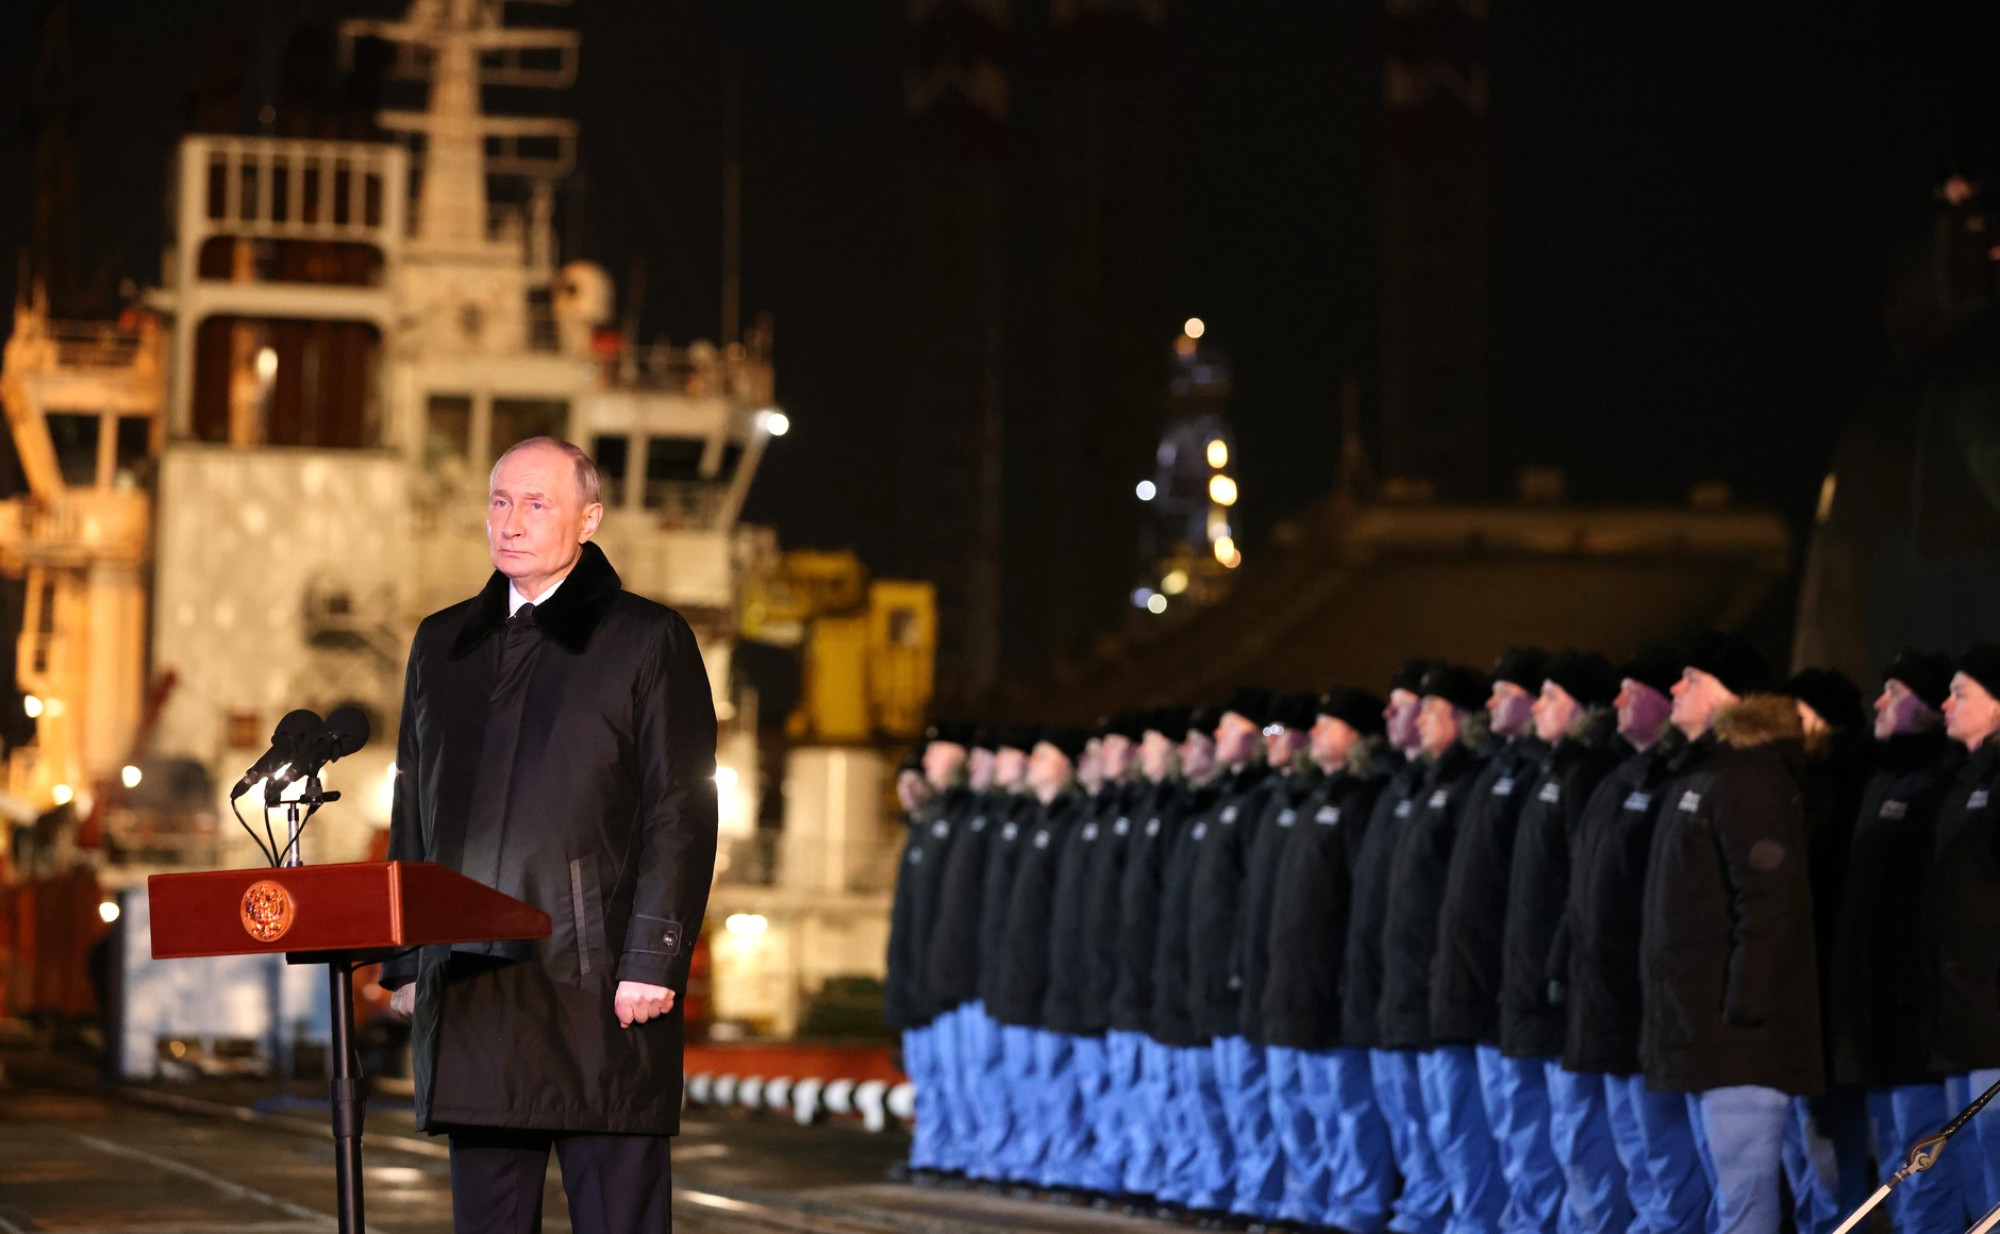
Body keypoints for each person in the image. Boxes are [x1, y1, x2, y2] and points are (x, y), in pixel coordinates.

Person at [382, 436, 718, 1234]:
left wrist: (652, 959)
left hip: (596, 986)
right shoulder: (442, 646)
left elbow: (681, 807)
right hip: (469, 983)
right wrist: (404, 957)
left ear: (589, 518)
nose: (512, 522)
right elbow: (412, 811)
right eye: (500, 502)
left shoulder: (645, 639)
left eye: (538, 504)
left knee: (616, 1217)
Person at [1642, 631, 1822, 1234]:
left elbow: (1769, 900)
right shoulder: (1704, 773)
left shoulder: (1745, 778)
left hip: (1737, 1039)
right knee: (1728, 1197)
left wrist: (1746, 1006)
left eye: (1691, 679)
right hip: (1705, 1028)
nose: (1676, 689)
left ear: (1729, 696)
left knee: (1743, 1202)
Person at [1554, 647, 1707, 1234]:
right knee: (1628, 1145)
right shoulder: (1616, 778)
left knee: (1665, 1149)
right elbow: (1581, 890)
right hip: (1603, 996)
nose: (1618, 701)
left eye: (1631, 690)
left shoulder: (1676, 780)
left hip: (1646, 999)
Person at [1828, 650, 1963, 1234]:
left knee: (1929, 1174)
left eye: (1892, 689)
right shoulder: (1880, 778)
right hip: (1876, 1018)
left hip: (1918, 1024)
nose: (1878, 701)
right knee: (1899, 1174)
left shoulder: (1944, 781)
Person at [1262, 686, 1395, 1234]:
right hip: (1300, 976)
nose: (1315, 733)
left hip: (1335, 977)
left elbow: (1362, 901)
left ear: (1356, 735)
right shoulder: (1321, 798)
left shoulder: (1361, 800)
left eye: (1328, 724)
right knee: (1309, 1102)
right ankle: (1315, 1202)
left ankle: (1358, 1207)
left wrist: (1349, 971)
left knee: (1349, 1103)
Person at [1497, 652, 1621, 1234]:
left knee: (1579, 1133)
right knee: (1534, 1131)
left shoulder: (1585, 771)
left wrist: (1557, 970)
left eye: (1551, 695)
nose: (1539, 706)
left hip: (1559, 990)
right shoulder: (1552, 769)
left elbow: (1580, 886)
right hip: (1528, 985)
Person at [1431, 648, 1555, 1234]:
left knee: (1524, 1126)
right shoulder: (1495, 772)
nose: (1490, 702)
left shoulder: (1538, 773)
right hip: (1472, 982)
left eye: (1504, 691)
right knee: (1475, 1124)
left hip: (1511, 987)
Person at [1381, 661, 1505, 1234]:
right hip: (1410, 982)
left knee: (1461, 1120)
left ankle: (1466, 1218)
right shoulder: (1426, 783)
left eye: (1431, 709)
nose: (1411, 719)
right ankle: (1435, 1211)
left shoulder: (1468, 783)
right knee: (1423, 1118)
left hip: (1449, 984)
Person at [1351, 659, 1453, 1234]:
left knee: (1441, 1120)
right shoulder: (1396, 788)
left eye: (1405, 703)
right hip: (1388, 984)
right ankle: (1418, 1211)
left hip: (1427, 987)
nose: (1391, 714)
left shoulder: (1443, 788)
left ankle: (1433, 1215)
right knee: (1406, 1119)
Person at [1779, 668, 1874, 1234]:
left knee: (1836, 1139)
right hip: (1812, 992)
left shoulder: (1840, 783)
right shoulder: (1809, 780)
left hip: (1832, 996)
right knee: (1813, 1144)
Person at [1224, 690, 1321, 1225]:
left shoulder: (1310, 801)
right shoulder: (1273, 800)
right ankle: (1283, 1197)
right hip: (1264, 974)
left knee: (1310, 1104)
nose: (1271, 743)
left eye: (1277, 730)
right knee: (1270, 1100)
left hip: (1299, 980)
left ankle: (1308, 1200)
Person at [989, 726, 1090, 1189]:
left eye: (1042, 757)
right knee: (1028, 1075)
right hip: (1024, 970)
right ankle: (1038, 1159)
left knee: (1061, 1075)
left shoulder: (1071, 820)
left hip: (1058, 974)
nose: (1031, 766)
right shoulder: (1036, 821)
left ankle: (1067, 1164)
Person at [1111, 705, 1202, 1210]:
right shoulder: (1151, 806)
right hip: (1142, 973)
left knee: (1182, 1092)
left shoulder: (1180, 808)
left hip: (1170, 976)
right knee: (1145, 1090)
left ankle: (1185, 1180)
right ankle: (1155, 1176)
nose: (1144, 754)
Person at [1925, 644, 2000, 1220]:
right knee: (1972, 1183)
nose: (1946, 703)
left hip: (1990, 1015)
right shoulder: (1960, 781)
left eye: (1963, 692)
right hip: (1959, 1014)